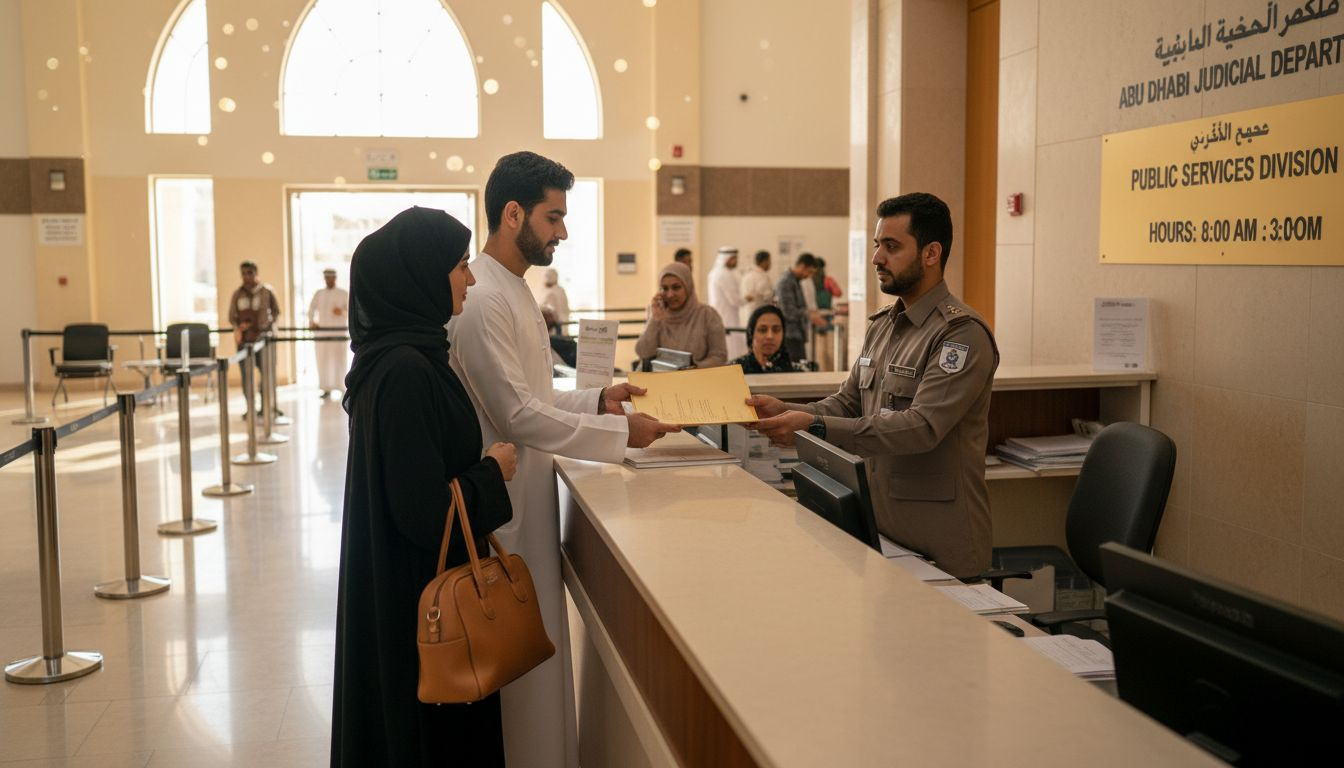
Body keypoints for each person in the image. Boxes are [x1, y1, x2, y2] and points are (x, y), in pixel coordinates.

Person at [446, 151, 680, 768]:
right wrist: (619, 434)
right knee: (519, 669)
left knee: (542, 659)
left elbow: (538, 396)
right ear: (512, 213)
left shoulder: (514, 289)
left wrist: (600, 400)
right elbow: (518, 416)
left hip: (531, 499)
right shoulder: (482, 299)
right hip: (506, 512)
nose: (564, 232)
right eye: (554, 217)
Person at [331, 207, 519, 766]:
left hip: (401, 586)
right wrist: (492, 471)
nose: (471, 277)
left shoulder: (399, 360)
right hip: (424, 601)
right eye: (460, 266)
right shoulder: (406, 372)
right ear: (418, 277)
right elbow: (423, 511)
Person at [748, 193, 999, 579]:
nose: (877, 258)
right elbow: (847, 403)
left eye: (892, 247)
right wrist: (786, 410)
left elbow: (922, 427)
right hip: (878, 533)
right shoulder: (882, 326)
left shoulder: (960, 334)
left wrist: (815, 427)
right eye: (877, 245)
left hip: (940, 546)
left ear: (931, 254)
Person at [635, 261, 728, 369]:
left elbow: (719, 356)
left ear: (688, 287)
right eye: (665, 288)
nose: (670, 294)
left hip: (698, 377)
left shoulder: (707, 315)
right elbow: (643, 353)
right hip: (661, 377)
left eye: (676, 287)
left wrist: (692, 369)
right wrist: (655, 320)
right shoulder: (658, 314)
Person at [229, 260, 282, 415]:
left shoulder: (267, 291)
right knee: (247, 376)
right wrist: (239, 328)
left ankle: (267, 408)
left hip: (264, 340)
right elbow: (232, 316)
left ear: (256, 273)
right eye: (243, 274)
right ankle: (250, 408)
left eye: (250, 273)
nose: (247, 277)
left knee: (267, 374)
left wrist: (267, 326)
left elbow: (276, 312)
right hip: (245, 341)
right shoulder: (237, 294)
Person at [308, 268, 350, 399]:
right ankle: (326, 388)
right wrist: (312, 322)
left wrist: (341, 312)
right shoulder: (319, 293)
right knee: (323, 360)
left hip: (339, 333)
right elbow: (311, 309)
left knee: (339, 360)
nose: (328, 280)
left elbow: (352, 313)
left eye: (331, 277)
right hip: (323, 333)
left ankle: (341, 386)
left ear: (335, 278)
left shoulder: (343, 293)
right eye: (326, 277)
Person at [774, 252, 822, 364]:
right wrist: (808, 314)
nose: (809, 276)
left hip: (797, 334)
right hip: (789, 335)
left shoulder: (795, 281)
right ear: (802, 266)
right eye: (809, 271)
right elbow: (788, 312)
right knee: (794, 368)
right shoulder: (786, 282)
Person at [733, 304, 805, 373]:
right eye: (762, 330)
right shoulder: (733, 371)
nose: (770, 336)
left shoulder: (797, 372)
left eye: (776, 330)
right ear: (751, 334)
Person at [706, 246, 745, 358]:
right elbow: (735, 300)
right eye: (734, 258)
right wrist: (746, 299)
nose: (736, 261)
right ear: (727, 259)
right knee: (731, 346)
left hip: (720, 314)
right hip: (727, 316)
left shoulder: (714, 272)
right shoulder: (724, 274)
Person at [812, 257, 841, 371]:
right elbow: (838, 293)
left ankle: (817, 368)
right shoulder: (828, 280)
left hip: (814, 316)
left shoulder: (809, 281)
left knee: (816, 346)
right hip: (827, 315)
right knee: (828, 346)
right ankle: (827, 369)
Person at [738, 249, 774, 325]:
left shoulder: (747, 274)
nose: (770, 264)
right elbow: (768, 296)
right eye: (769, 261)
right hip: (758, 313)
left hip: (745, 313)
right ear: (764, 262)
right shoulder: (761, 277)